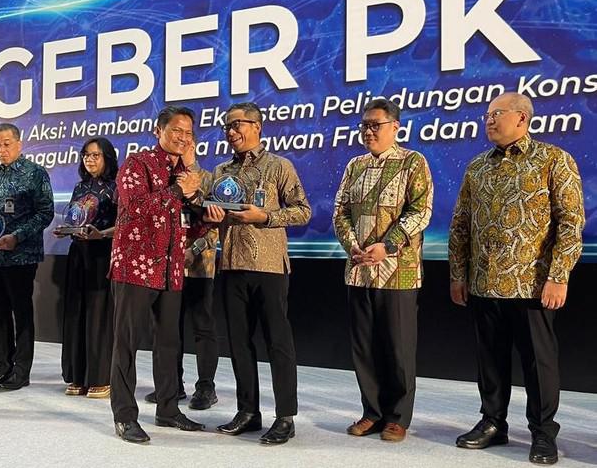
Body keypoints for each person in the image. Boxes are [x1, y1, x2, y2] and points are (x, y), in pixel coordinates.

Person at [449, 92, 584, 465]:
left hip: (532, 285)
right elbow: (460, 224)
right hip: (483, 282)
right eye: (486, 115)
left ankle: (542, 433)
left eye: (496, 114)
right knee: (490, 359)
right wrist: (458, 274)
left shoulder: (553, 160)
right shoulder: (477, 166)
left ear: (522, 118)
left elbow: (570, 222)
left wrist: (559, 276)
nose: (488, 120)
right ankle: (493, 422)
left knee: (538, 363)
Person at [208, 102, 311, 445]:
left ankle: (285, 417)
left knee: (277, 342)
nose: (231, 131)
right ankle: (248, 412)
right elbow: (213, 214)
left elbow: (303, 211)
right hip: (231, 263)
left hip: (268, 265)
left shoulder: (279, 166)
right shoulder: (221, 171)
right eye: (227, 126)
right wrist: (210, 217)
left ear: (257, 126)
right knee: (238, 342)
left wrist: (265, 217)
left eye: (237, 124)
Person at [332, 98, 434, 442]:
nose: (368, 132)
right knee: (364, 347)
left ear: (395, 127)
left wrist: (387, 246)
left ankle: (397, 417)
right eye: (364, 125)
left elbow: (421, 211)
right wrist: (352, 246)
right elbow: (340, 211)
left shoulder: (412, 162)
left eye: (375, 125)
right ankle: (372, 412)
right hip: (359, 270)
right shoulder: (355, 165)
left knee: (398, 347)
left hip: (398, 272)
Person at [110, 106, 207, 444]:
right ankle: (124, 416)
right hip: (135, 266)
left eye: (189, 133)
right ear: (159, 131)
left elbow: (187, 226)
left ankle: (168, 409)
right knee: (127, 343)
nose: (183, 137)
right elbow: (134, 208)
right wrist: (178, 191)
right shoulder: (137, 164)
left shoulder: (187, 174)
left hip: (170, 269)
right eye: (177, 130)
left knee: (169, 343)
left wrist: (206, 216)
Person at [0, 123, 54, 391]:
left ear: (19, 143)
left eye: (6, 144)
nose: (1, 150)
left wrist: (17, 236)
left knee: (21, 312)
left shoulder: (35, 173)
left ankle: (20, 371)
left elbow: (45, 213)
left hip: (21, 256)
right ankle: (1, 367)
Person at [144, 134, 220, 410]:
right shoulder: (167, 180)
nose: (181, 150)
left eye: (186, 145)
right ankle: (171, 385)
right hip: (167, 265)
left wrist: (192, 251)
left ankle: (206, 388)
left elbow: (216, 226)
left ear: (195, 147)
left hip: (199, 265)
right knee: (168, 327)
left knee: (202, 326)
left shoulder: (209, 180)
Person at [56, 137, 118, 399]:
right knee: (76, 314)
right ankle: (78, 375)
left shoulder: (117, 187)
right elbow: (76, 220)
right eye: (86, 155)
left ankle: (100, 376)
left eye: (96, 155)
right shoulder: (80, 187)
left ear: (107, 158)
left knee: (98, 316)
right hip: (78, 254)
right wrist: (67, 230)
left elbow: (125, 224)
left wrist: (101, 234)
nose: (90, 159)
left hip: (102, 255)